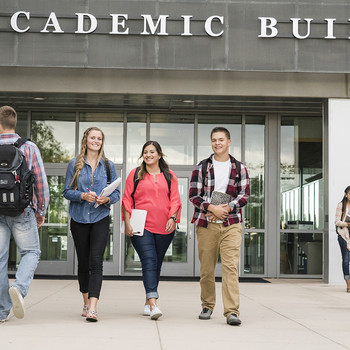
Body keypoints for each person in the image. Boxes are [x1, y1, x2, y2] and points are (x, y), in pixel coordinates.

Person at [189, 126, 250, 326]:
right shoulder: (202, 167)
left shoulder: (239, 168)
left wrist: (228, 207)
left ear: (229, 142)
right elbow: (194, 195)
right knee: (207, 269)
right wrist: (211, 208)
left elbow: (244, 195)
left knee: (230, 268)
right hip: (206, 223)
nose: (217, 143)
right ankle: (207, 305)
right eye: (214, 140)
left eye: (221, 139)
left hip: (231, 223)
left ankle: (232, 311)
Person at [63, 127, 120, 322]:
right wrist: (82, 195)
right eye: (92, 137)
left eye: (99, 138)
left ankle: (93, 307)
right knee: (84, 262)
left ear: (102, 142)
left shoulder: (108, 165)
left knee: (96, 261)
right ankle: (86, 301)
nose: (96, 141)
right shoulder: (75, 164)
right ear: (86, 140)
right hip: (79, 219)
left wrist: (107, 199)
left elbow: (117, 193)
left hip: (100, 218)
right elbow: (66, 192)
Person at [122, 141, 181, 320]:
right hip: (141, 226)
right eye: (145, 152)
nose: (148, 155)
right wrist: (127, 223)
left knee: (156, 264)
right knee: (149, 260)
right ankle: (154, 302)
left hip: (165, 226)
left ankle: (147, 303)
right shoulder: (135, 174)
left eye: (152, 152)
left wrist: (173, 218)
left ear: (159, 155)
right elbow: (127, 200)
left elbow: (175, 200)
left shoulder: (170, 176)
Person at [0, 105, 49, 323]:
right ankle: (19, 287)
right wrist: (41, 210)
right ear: (14, 123)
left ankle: (1, 312)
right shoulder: (28, 147)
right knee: (30, 252)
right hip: (22, 211)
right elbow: (40, 182)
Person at [335, 186, 350, 292]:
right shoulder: (341, 205)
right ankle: (348, 284)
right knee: (346, 260)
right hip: (344, 234)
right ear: (346, 194)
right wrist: (347, 223)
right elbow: (337, 222)